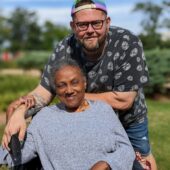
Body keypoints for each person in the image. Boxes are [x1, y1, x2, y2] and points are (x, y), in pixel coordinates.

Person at [2, 0, 157, 169]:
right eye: (82, 25)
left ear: (107, 22)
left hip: (129, 118)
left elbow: (124, 100)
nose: (90, 30)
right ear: (73, 26)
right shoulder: (64, 48)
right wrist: (20, 111)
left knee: (141, 160)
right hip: (88, 119)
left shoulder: (128, 43)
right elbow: (44, 91)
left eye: (96, 23)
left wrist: (70, 95)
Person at [0, 58, 135, 170]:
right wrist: (13, 118)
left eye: (74, 82)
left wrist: (106, 164)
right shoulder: (44, 118)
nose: (69, 90)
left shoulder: (103, 111)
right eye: (61, 85)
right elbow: (14, 158)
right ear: (56, 90)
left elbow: (126, 149)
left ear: (84, 83)